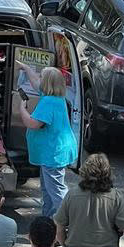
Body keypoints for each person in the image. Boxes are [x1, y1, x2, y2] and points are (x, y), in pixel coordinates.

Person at [17, 66, 77, 218]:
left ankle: (70, 224)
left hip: (53, 153)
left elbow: (33, 123)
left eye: (42, 76)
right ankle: (49, 220)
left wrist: (22, 108)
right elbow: (35, 82)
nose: (39, 77)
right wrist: (25, 68)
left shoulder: (49, 102)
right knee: (48, 190)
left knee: (57, 192)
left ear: (48, 82)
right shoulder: (54, 96)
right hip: (53, 152)